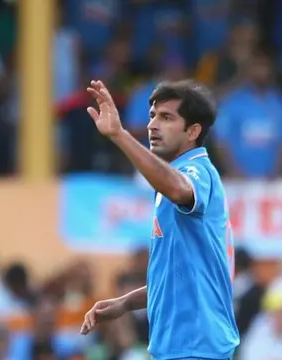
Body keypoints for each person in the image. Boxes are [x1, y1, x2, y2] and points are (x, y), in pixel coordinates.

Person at [79, 80, 239, 360]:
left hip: (197, 347)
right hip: (176, 347)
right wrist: (126, 302)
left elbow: (179, 188)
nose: (152, 125)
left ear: (193, 131)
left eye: (166, 117)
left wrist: (119, 134)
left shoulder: (197, 171)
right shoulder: (170, 183)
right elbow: (179, 277)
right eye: (152, 116)